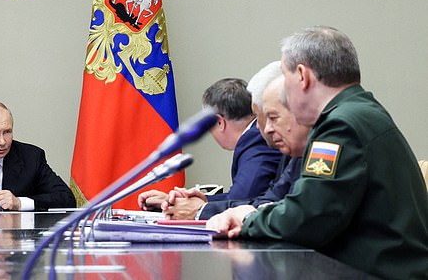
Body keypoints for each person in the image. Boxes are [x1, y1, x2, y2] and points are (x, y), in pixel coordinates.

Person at [207, 26, 428, 280]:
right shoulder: (361, 110)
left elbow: (307, 218)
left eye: (285, 80)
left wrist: (249, 219)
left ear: (302, 76)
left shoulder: (340, 126)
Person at [138, 78, 281, 214]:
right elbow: (245, 198)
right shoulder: (253, 136)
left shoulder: (256, 138)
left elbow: (240, 200)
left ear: (219, 122)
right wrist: (190, 201)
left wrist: (196, 208)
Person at [196, 75, 307, 219]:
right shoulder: (283, 146)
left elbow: (244, 198)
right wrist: (203, 201)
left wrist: (200, 209)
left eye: (273, 117)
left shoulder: (256, 139)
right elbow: (270, 198)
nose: (267, 129)